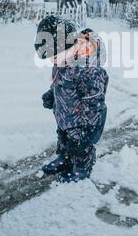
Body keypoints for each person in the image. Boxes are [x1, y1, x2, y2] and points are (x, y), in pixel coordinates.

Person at [35, 15, 108, 183]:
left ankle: (83, 167)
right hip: (64, 113)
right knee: (63, 135)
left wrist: (90, 127)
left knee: (80, 144)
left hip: (82, 119)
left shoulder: (88, 69)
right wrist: (51, 93)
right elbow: (59, 82)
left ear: (70, 47)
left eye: (54, 55)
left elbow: (95, 101)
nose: (52, 60)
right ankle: (64, 157)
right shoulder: (63, 61)